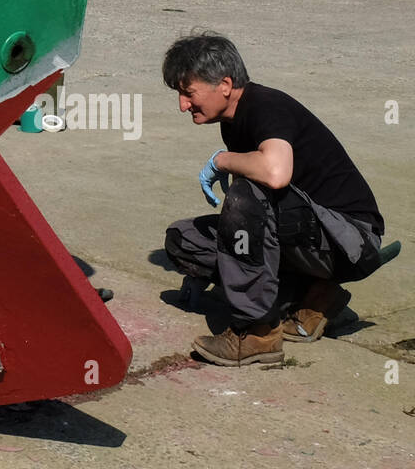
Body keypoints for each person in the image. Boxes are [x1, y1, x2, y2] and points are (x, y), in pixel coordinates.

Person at [161, 31, 385, 366]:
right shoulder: (233, 121)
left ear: (224, 84)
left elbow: (275, 173)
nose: (182, 105)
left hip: (350, 240)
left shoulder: (268, 106)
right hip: (308, 236)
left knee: (243, 196)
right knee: (185, 240)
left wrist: (222, 160)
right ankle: (315, 297)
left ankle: (256, 333)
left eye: (188, 92)